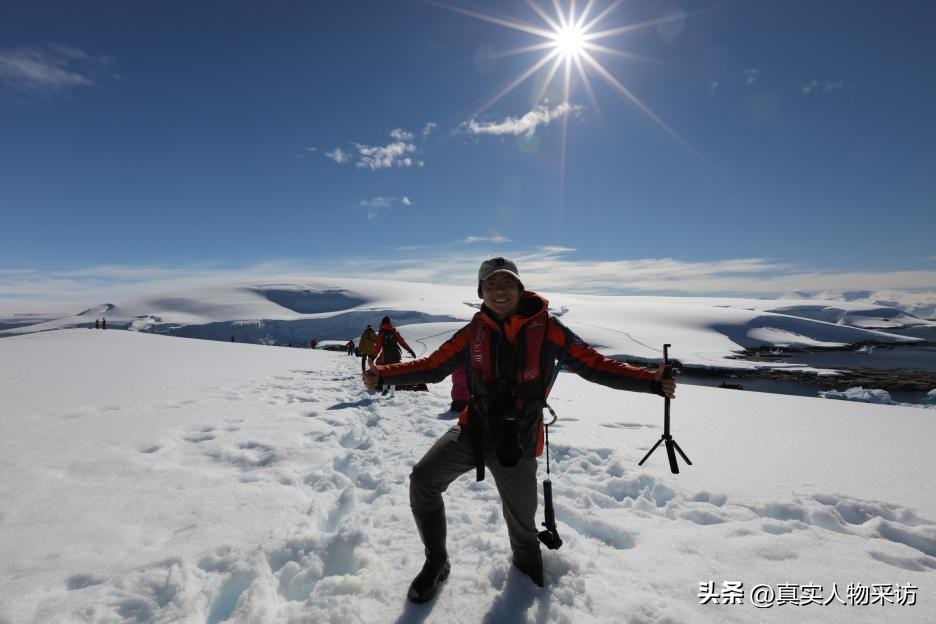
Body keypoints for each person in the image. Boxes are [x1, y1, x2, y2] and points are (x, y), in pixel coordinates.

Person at [363, 257, 676, 603]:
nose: (499, 291)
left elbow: (593, 364)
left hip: (520, 442)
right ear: (480, 292)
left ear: (520, 288)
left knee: (523, 530)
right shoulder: (474, 331)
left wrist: (651, 382)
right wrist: (384, 376)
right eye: (490, 285)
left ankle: (527, 584)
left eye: (506, 283)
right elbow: (435, 366)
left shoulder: (549, 329)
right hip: (473, 430)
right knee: (423, 480)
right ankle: (437, 561)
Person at [373, 315, 416, 395]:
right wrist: (410, 350)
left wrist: (373, 356)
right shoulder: (394, 331)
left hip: (386, 355)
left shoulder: (382, 332)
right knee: (393, 373)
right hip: (396, 355)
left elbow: (378, 346)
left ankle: (384, 389)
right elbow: (402, 342)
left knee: (384, 372)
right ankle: (392, 393)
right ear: (390, 323)